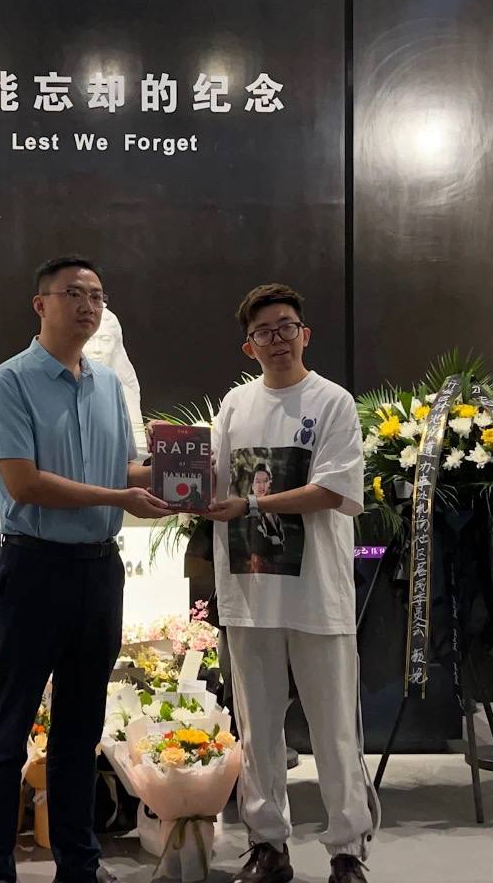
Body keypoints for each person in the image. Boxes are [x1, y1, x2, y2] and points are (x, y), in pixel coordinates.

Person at [0, 255, 174, 883]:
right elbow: (25, 484)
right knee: (8, 726)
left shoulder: (108, 385)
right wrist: (120, 496)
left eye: (97, 296)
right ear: (41, 304)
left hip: (99, 571)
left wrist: (185, 470)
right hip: (35, 567)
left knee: (81, 729)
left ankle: (79, 865)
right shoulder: (9, 382)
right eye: (74, 293)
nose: (89, 306)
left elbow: (123, 472)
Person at [204, 283, 380, 883]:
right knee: (258, 731)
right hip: (249, 594)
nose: (276, 339)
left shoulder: (332, 402)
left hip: (317, 596)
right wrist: (172, 462)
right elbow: (211, 481)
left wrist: (252, 506)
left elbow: (332, 490)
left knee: (334, 730)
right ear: (248, 346)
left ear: (305, 334)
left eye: (285, 327)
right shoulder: (234, 406)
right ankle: (267, 846)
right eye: (263, 332)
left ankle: (347, 851)